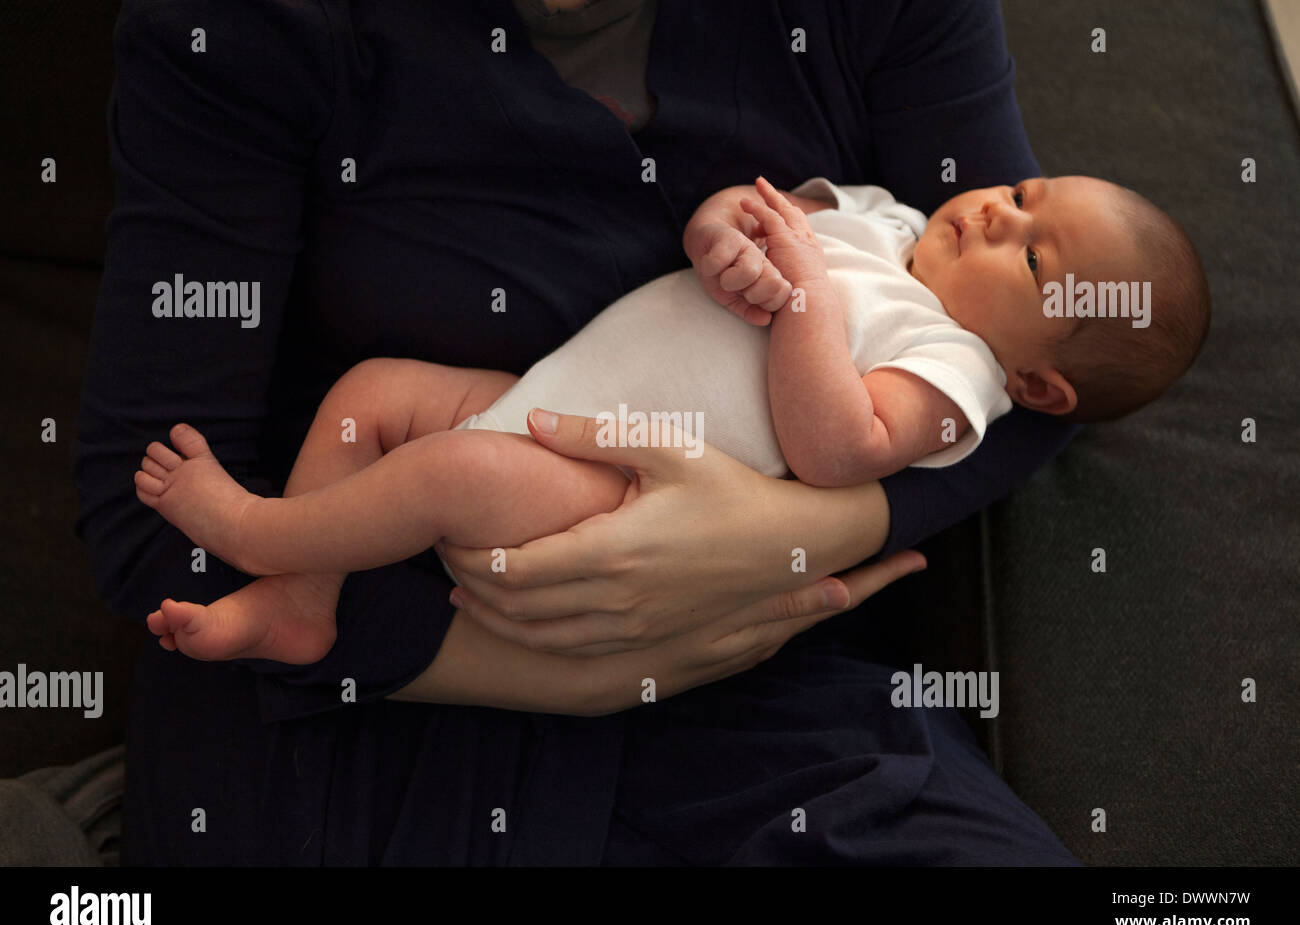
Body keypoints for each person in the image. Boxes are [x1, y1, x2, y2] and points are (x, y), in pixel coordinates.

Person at [75, 0, 1085, 864]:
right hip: (364, 677)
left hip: (751, 668)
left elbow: (1048, 352)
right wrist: (576, 669)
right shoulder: (244, 28)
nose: (997, 219)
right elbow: (148, 509)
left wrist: (784, 533)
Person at [130, 172, 1208, 668]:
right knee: (374, 389)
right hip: (544, 397)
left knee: (451, 474)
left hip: (616, 489)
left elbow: (836, 448)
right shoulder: (883, 217)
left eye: (1029, 253)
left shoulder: (954, 372)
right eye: (1022, 191)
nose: (992, 212)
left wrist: (804, 306)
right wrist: (721, 235)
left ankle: (256, 532)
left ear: (1042, 386)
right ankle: (302, 601)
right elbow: (746, 209)